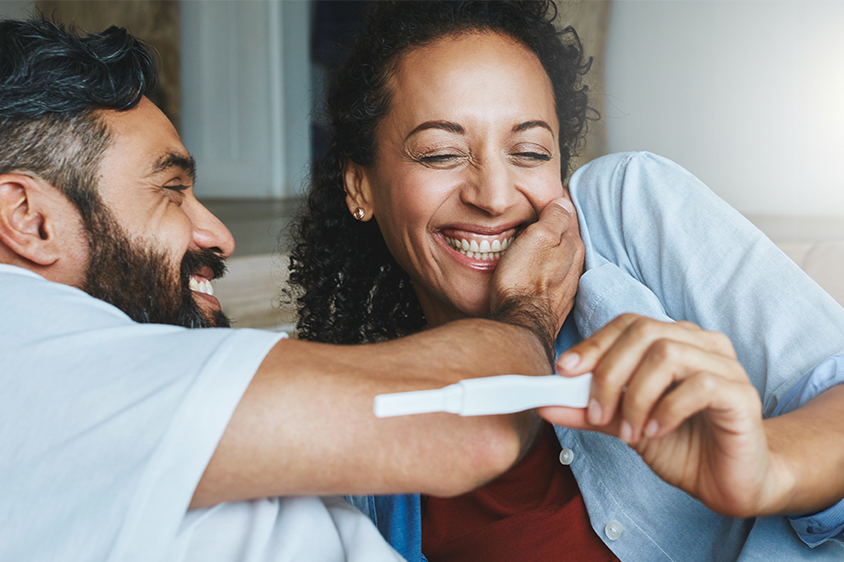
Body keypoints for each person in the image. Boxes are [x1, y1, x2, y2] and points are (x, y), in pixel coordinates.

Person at [0, 18, 587, 562]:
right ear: (28, 219)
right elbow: (469, 424)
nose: (219, 235)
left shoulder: (83, 383)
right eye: (172, 191)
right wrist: (528, 313)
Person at [285, 2, 844, 561]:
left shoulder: (624, 210)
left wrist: (767, 466)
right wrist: (525, 312)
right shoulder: (363, 446)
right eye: (442, 154)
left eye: (529, 152)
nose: (496, 196)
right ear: (359, 187)